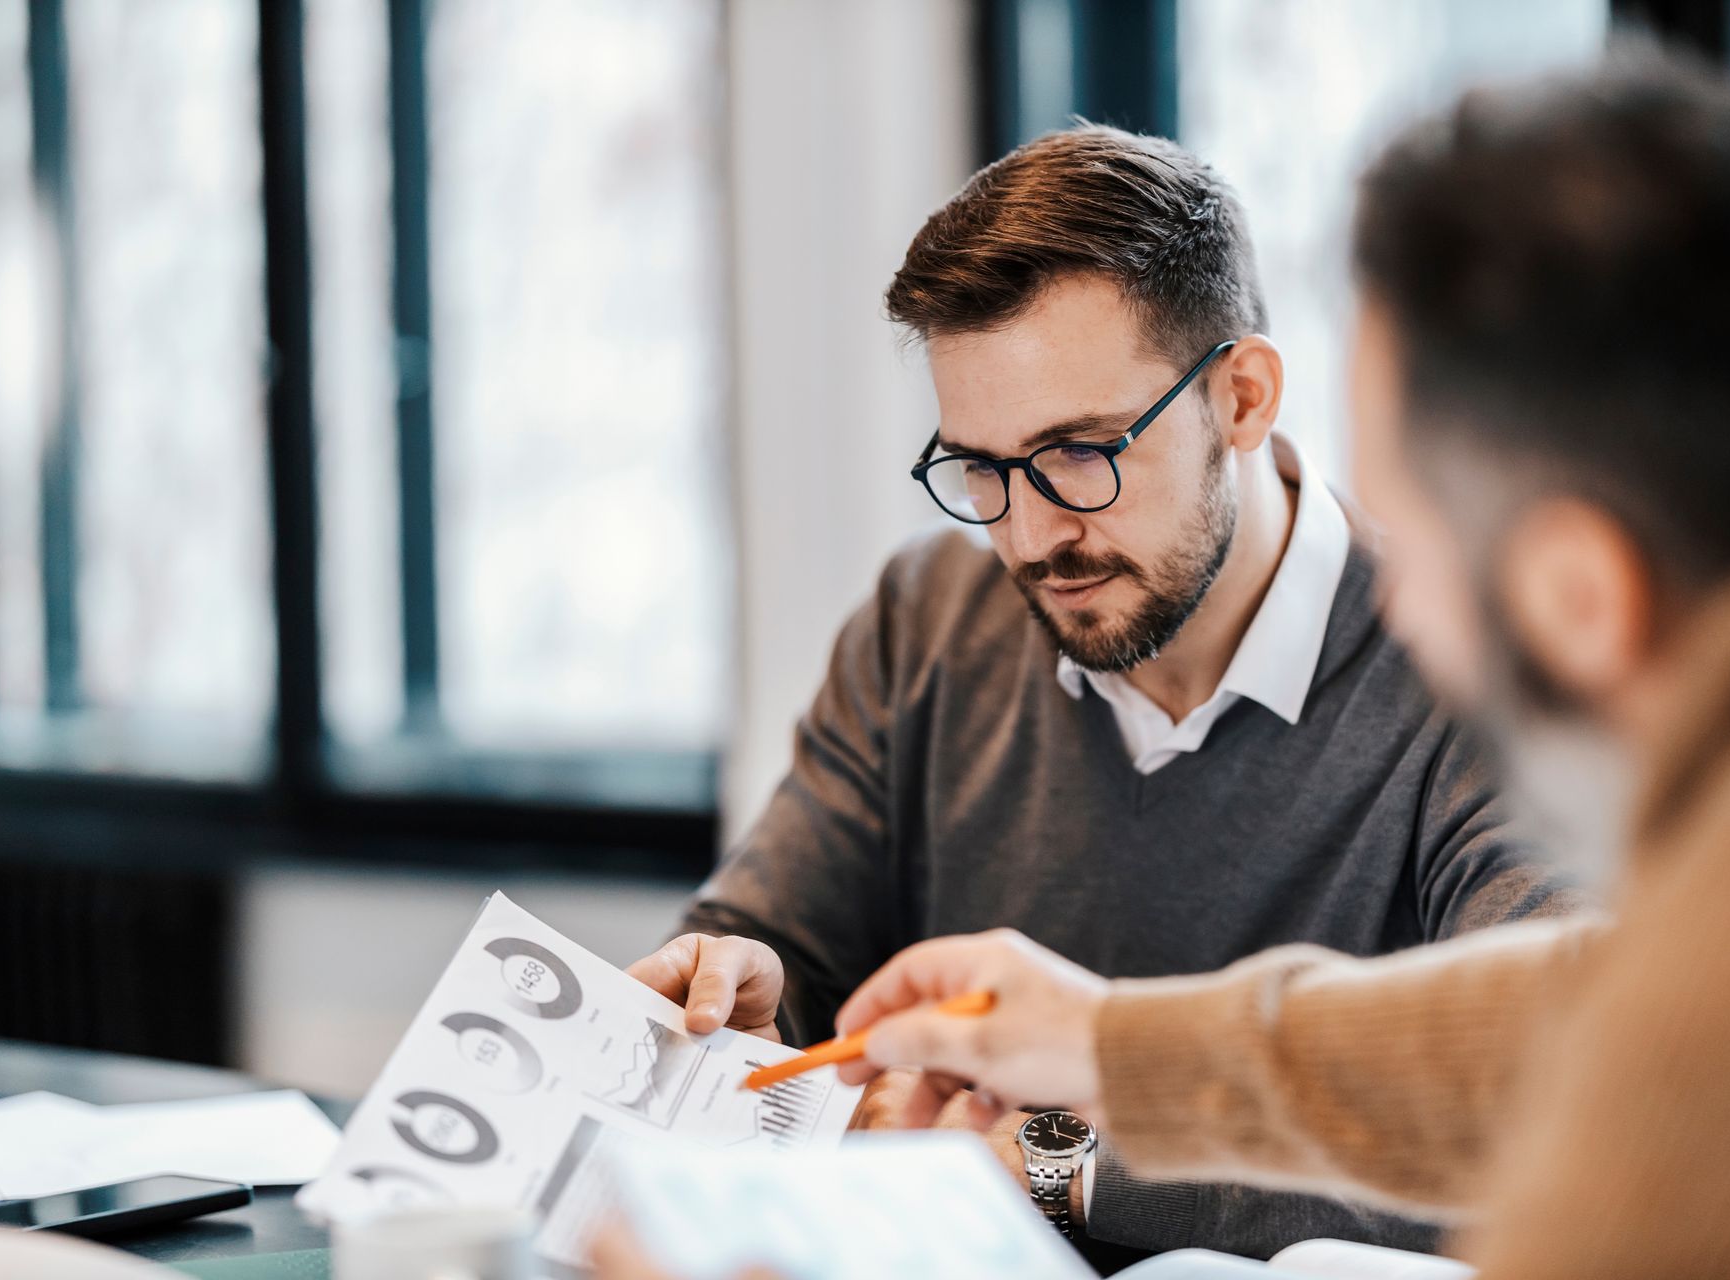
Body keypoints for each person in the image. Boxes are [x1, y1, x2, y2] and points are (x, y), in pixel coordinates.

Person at [825, 50, 1730, 1280]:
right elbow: (1571, 1018)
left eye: (1410, 540)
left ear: (1580, 595)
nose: (1398, 612)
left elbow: (1611, 1099)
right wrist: (1112, 1045)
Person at [623, 126, 1581, 1260]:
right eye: (979, 467)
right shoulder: (927, 619)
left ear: (1243, 396)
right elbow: (772, 951)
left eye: (1081, 452)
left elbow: (1551, 1113)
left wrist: (1063, 1163)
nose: (1030, 536)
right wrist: (741, 993)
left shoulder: (1471, 669)